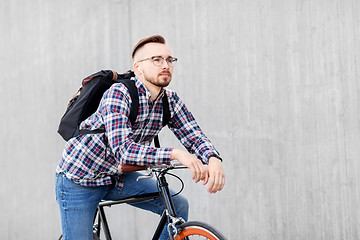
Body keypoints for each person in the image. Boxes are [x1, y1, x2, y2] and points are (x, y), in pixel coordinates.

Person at [55, 35, 225, 240]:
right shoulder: (118, 94)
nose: (165, 65)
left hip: (117, 178)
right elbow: (124, 151)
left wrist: (213, 159)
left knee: (178, 205)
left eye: (169, 60)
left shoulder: (170, 100)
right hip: (81, 180)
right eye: (157, 59)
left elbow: (194, 135)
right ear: (138, 67)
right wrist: (177, 154)